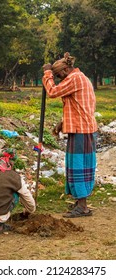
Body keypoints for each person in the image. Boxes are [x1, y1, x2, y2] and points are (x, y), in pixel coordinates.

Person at [42, 52, 98, 218]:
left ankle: (82, 207)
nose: (60, 79)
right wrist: (62, 123)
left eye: (59, 76)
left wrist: (47, 73)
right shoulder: (80, 78)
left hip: (82, 130)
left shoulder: (75, 79)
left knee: (78, 167)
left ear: (66, 70)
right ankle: (80, 203)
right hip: (83, 128)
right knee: (77, 166)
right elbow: (77, 106)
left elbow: (52, 91)